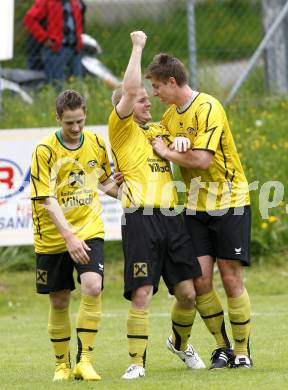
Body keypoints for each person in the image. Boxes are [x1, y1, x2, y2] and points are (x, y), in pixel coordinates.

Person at [145, 54, 253, 369]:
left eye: (156, 86)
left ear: (172, 82)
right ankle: (224, 348)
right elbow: (154, 138)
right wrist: (162, 143)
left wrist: (169, 149)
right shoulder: (167, 118)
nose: (155, 93)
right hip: (195, 205)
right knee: (201, 281)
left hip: (229, 200)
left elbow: (202, 160)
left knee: (231, 278)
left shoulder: (208, 107)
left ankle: (244, 352)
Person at [108, 31, 204, 380]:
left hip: (171, 220)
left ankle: (180, 344)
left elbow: (185, 138)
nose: (149, 103)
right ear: (126, 105)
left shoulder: (157, 130)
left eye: (150, 99)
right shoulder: (122, 130)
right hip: (141, 220)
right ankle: (137, 362)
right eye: (143, 100)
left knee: (188, 293)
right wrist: (137, 47)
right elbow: (131, 88)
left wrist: (181, 139)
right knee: (143, 293)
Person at [30, 89, 120, 382]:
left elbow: (104, 184)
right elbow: (46, 199)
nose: (76, 127)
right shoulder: (45, 151)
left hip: (89, 228)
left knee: (93, 287)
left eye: (80, 120)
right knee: (59, 301)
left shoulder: (95, 142)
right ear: (58, 118)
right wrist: (69, 237)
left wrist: (135, 197)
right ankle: (61, 365)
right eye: (69, 122)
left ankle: (85, 360)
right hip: (54, 236)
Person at [24, 0, 84, 84]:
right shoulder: (47, 1)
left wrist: (79, 42)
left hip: (74, 49)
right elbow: (29, 19)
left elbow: (77, 25)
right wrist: (44, 38)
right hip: (56, 50)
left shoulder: (73, 2)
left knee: (77, 83)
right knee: (57, 84)